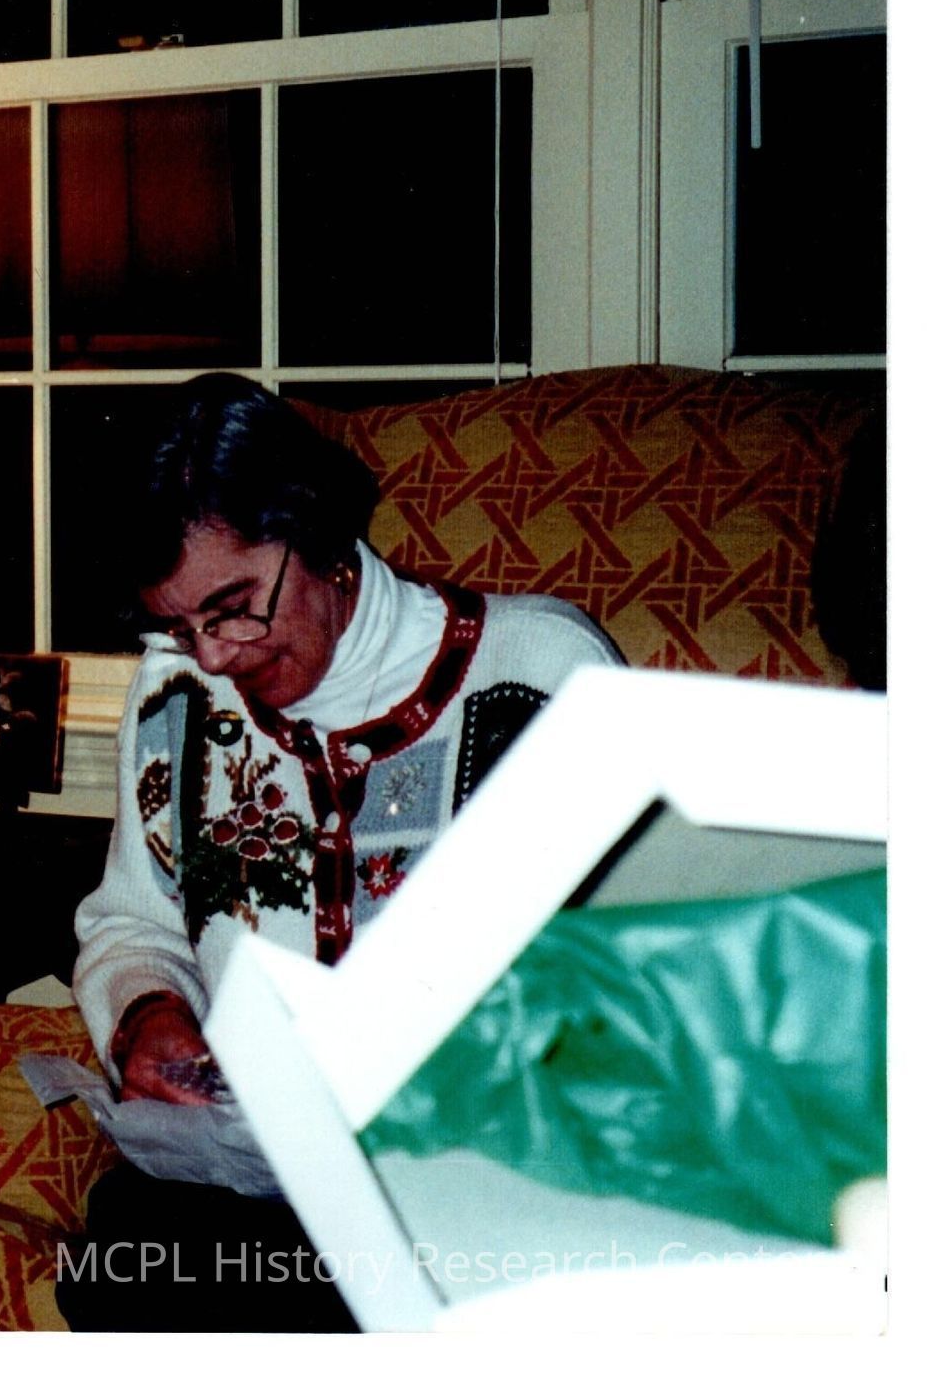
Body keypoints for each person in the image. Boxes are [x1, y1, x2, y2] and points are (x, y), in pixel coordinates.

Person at [57, 374, 621, 1333]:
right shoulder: (175, 695)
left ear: (313, 530)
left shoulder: (539, 674)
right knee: (124, 1253)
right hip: (250, 1185)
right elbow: (131, 926)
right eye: (181, 625)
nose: (216, 656)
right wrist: (150, 1016)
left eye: (235, 606)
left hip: (471, 1193)